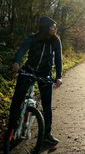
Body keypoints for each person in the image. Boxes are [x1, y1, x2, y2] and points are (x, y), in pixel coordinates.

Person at [10, 16, 63, 146]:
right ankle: (11, 130)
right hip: (28, 70)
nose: (54, 29)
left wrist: (59, 76)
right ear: (45, 27)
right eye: (52, 26)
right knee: (17, 100)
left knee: (47, 106)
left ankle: (47, 135)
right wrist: (17, 62)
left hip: (45, 74)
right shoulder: (33, 38)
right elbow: (22, 49)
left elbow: (58, 59)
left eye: (55, 27)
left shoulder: (55, 41)